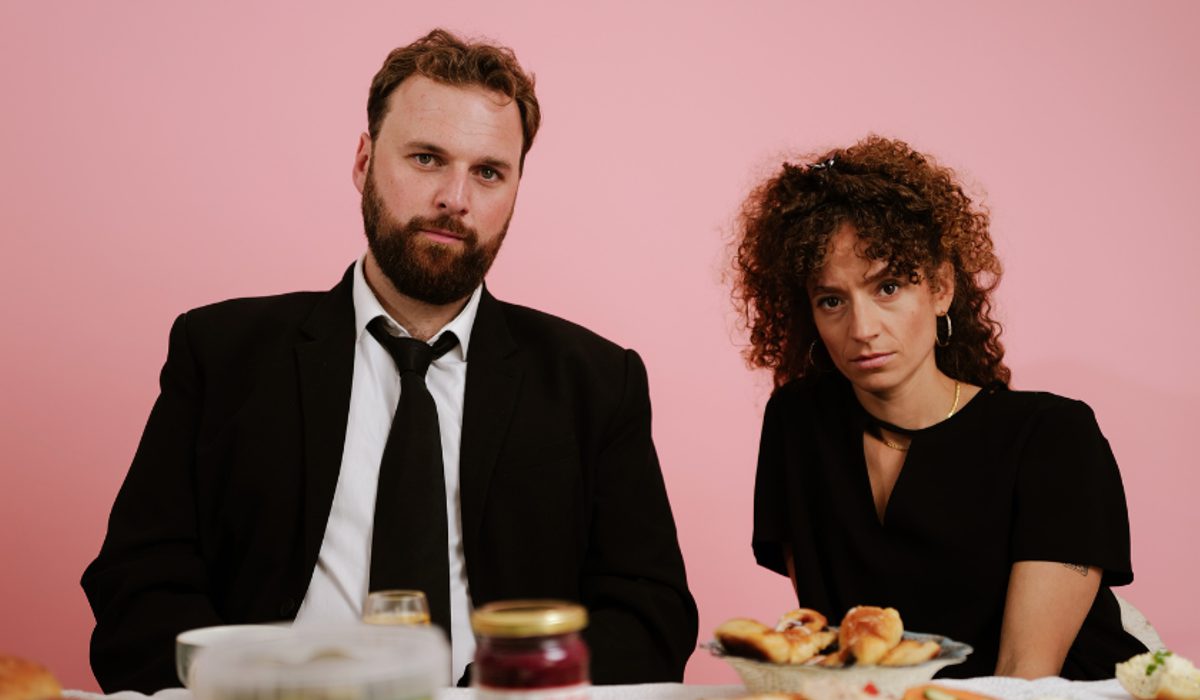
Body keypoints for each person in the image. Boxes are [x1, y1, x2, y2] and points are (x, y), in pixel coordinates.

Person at [82, 29, 697, 693]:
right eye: (427, 159)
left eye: (488, 172)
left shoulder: (597, 384)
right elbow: (139, 584)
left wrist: (495, 690)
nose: (455, 198)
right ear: (363, 161)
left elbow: (648, 615)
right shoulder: (221, 353)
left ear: (516, 188)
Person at [732, 136, 1147, 679]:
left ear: (942, 288)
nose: (862, 328)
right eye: (831, 300)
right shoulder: (798, 424)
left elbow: (1026, 675)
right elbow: (843, 647)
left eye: (888, 287)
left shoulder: (1053, 437)